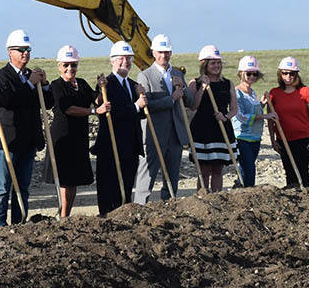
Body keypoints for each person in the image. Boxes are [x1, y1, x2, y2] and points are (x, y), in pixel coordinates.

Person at [0, 28, 48, 226]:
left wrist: (44, 84)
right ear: (10, 52)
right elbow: (8, 100)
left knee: (23, 187)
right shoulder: (2, 75)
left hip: (28, 141)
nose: (25, 53)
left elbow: (46, 103)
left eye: (28, 50)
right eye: (20, 49)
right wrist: (31, 85)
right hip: (9, 141)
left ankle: (19, 222)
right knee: (2, 188)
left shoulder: (31, 75)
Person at [134, 33, 195, 203]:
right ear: (153, 53)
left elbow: (189, 102)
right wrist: (172, 99)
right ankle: (140, 207)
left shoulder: (177, 74)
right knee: (147, 177)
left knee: (172, 177)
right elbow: (147, 105)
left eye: (167, 52)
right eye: (160, 52)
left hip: (175, 135)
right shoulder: (145, 76)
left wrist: (182, 88)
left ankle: (169, 206)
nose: (164, 55)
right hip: (154, 134)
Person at [92, 41, 147, 216]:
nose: (125, 61)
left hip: (130, 145)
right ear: (112, 61)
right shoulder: (105, 85)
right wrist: (137, 107)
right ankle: (107, 217)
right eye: (121, 58)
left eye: (129, 58)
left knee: (127, 183)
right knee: (110, 187)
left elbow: (140, 114)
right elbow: (111, 113)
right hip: (111, 145)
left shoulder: (133, 85)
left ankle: (123, 215)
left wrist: (142, 102)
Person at [43, 45, 96, 218]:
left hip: (79, 137)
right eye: (66, 65)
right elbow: (68, 108)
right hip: (63, 137)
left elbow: (95, 99)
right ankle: (63, 216)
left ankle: (66, 214)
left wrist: (102, 87)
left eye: (73, 65)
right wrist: (94, 112)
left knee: (73, 181)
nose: (70, 69)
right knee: (65, 180)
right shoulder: (56, 85)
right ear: (59, 66)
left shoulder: (81, 83)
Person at [187, 45, 239, 193]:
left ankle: (217, 198)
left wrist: (225, 117)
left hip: (221, 128)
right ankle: (202, 199)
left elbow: (234, 109)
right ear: (204, 65)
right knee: (204, 170)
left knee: (217, 169)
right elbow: (193, 106)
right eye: (213, 63)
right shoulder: (195, 83)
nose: (216, 66)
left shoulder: (228, 83)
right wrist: (203, 87)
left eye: (218, 63)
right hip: (202, 129)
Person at [265, 56, 309, 189]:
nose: (288, 76)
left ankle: (307, 196)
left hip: (304, 139)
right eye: (285, 73)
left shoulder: (305, 91)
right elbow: (271, 120)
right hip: (284, 139)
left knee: (302, 170)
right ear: (280, 74)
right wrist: (273, 140)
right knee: (289, 171)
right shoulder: (274, 93)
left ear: (296, 74)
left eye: (292, 73)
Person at [232, 55, 265, 187]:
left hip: (255, 137)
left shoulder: (252, 92)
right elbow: (241, 116)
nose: (252, 77)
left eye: (254, 74)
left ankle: (240, 187)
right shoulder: (236, 93)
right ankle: (247, 191)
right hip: (242, 137)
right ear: (241, 73)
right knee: (249, 170)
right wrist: (265, 117)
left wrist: (262, 104)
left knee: (246, 169)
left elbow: (253, 111)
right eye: (249, 74)